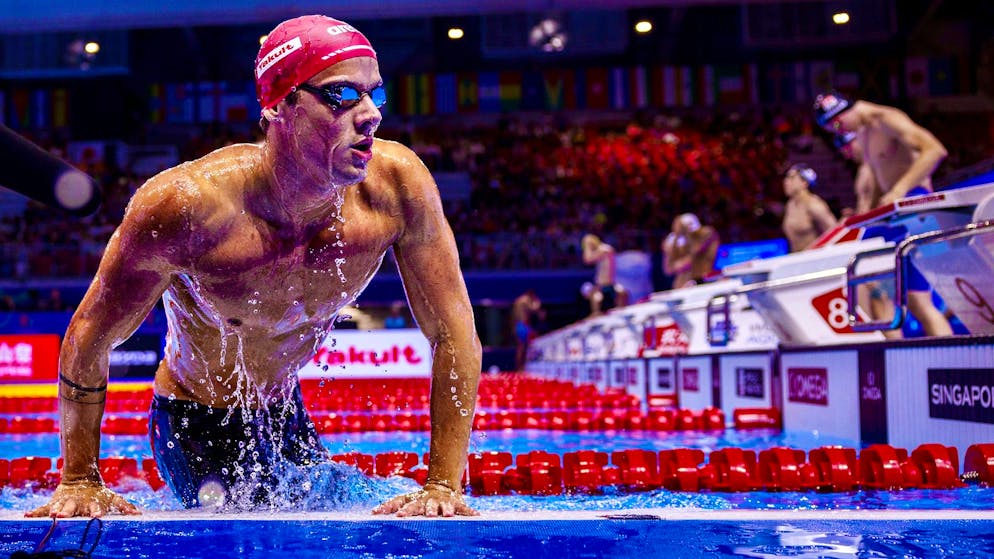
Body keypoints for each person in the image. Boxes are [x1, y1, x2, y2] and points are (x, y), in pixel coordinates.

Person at [28, 15, 482, 519]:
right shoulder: (187, 207)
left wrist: (442, 484)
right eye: (342, 95)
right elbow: (89, 336)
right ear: (280, 105)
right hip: (194, 420)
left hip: (285, 411)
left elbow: (454, 330)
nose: (371, 113)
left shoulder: (397, 190)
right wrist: (79, 480)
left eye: (376, 94)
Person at [814, 92, 952, 337]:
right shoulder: (865, 134)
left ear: (846, 111)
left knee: (918, 301)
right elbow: (880, 180)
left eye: (836, 125)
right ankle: (894, 357)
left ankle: (953, 364)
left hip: (912, 205)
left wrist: (900, 189)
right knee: (875, 288)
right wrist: (870, 213)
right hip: (891, 214)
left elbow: (935, 150)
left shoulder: (887, 118)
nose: (837, 132)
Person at [781, 163, 838, 252]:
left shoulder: (814, 205)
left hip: (814, 260)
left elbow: (836, 233)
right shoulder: (790, 205)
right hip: (797, 259)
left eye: (791, 178)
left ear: (804, 182)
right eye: (786, 178)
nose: (786, 182)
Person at [662, 213, 720, 289]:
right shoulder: (673, 240)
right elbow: (669, 269)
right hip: (683, 286)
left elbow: (697, 253)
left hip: (703, 281)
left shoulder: (707, 234)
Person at [581, 234, 627, 315]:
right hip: (601, 284)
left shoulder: (604, 249)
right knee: (596, 297)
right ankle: (596, 314)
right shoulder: (600, 251)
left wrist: (587, 246)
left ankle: (620, 312)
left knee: (622, 293)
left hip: (609, 283)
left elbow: (587, 259)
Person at [511, 289, 543, 371]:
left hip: (518, 325)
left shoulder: (518, 301)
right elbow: (533, 309)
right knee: (524, 347)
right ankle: (522, 367)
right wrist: (537, 302)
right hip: (523, 325)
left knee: (520, 346)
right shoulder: (525, 300)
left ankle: (519, 367)